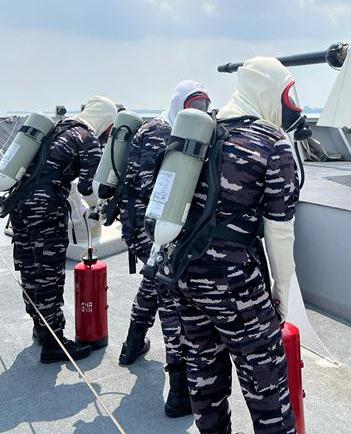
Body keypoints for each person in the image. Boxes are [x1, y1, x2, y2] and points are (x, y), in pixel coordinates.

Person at [164, 57, 301, 434]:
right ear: (270, 93)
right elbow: (279, 231)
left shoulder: (202, 130)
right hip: (236, 285)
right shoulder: (272, 142)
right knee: (267, 388)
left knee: (204, 377)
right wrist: (281, 292)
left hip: (185, 275)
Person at [117, 80, 210, 417]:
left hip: (141, 224)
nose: (199, 112)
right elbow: (154, 188)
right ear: (179, 104)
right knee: (171, 303)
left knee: (153, 282)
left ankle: (132, 343)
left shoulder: (156, 127)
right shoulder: (164, 133)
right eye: (194, 105)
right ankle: (179, 390)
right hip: (154, 227)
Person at [10, 96, 117, 364]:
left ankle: (40, 328)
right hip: (45, 208)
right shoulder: (87, 138)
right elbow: (89, 187)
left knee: (30, 270)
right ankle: (54, 343)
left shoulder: (56, 128)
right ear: (106, 121)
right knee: (48, 275)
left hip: (18, 204)